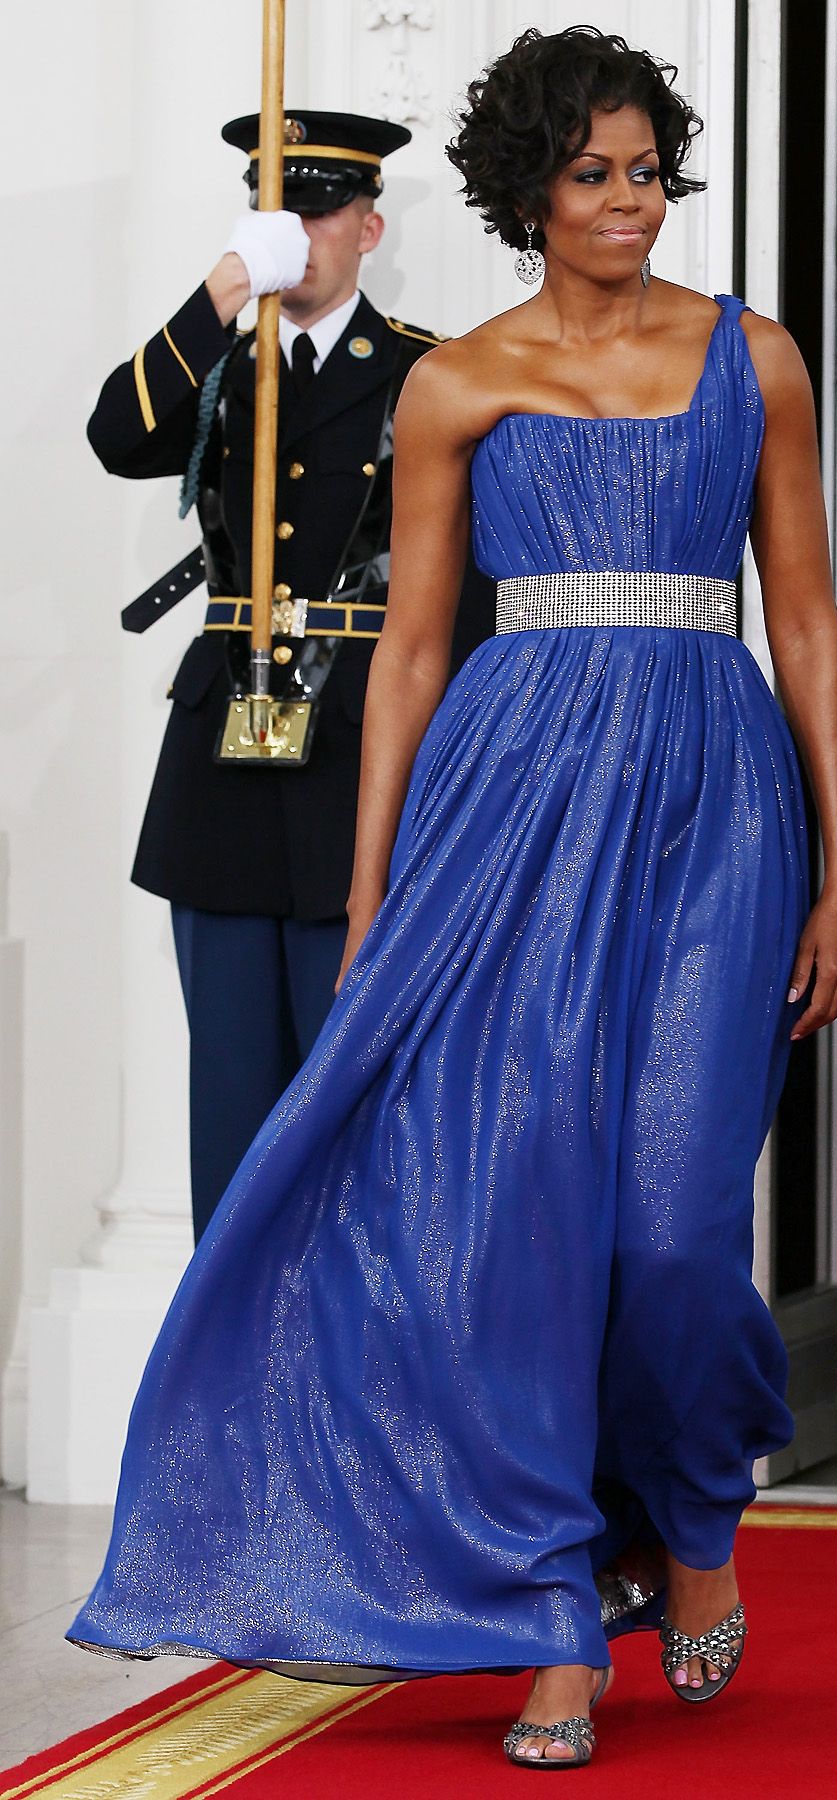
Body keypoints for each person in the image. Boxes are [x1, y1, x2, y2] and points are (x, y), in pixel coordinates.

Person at [69, 27, 837, 1772]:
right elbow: (415, 656)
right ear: (524, 193)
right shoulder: (460, 382)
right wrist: (371, 903)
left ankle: (699, 1522)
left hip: (708, 805)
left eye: (648, 168)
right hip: (500, 816)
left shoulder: (758, 357)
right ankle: (552, 1615)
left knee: (668, 1231)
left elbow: (802, 617)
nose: (627, 201)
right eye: (591, 173)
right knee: (511, 1238)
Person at [89, 110, 495, 1240]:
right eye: (277, 213)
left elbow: (474, 587)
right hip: (222, 770)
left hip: (360, 770)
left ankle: (348, 1384)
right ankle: (229, 1391)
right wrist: (224, 288)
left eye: (319, 211)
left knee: (355, 1107)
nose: (299, 234)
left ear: (368, 225)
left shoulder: (426, 371)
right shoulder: (223, 366)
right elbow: (117, 435)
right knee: (228, 1113)